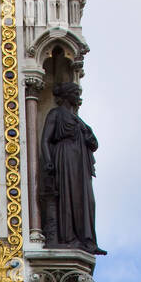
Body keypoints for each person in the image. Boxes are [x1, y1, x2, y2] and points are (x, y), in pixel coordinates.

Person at [40, 82, 104, 253]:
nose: (78, 97)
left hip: (80, 162)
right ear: (67, 96)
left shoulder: (78, 120)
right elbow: (45, 140)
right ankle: (68, 237)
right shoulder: (56, 114)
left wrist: (89, 138)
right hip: (65, 158)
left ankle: (87, 239)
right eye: (75, 93)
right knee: (69, 195)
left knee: (85, 199)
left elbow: (94, 142)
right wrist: (48, 161)